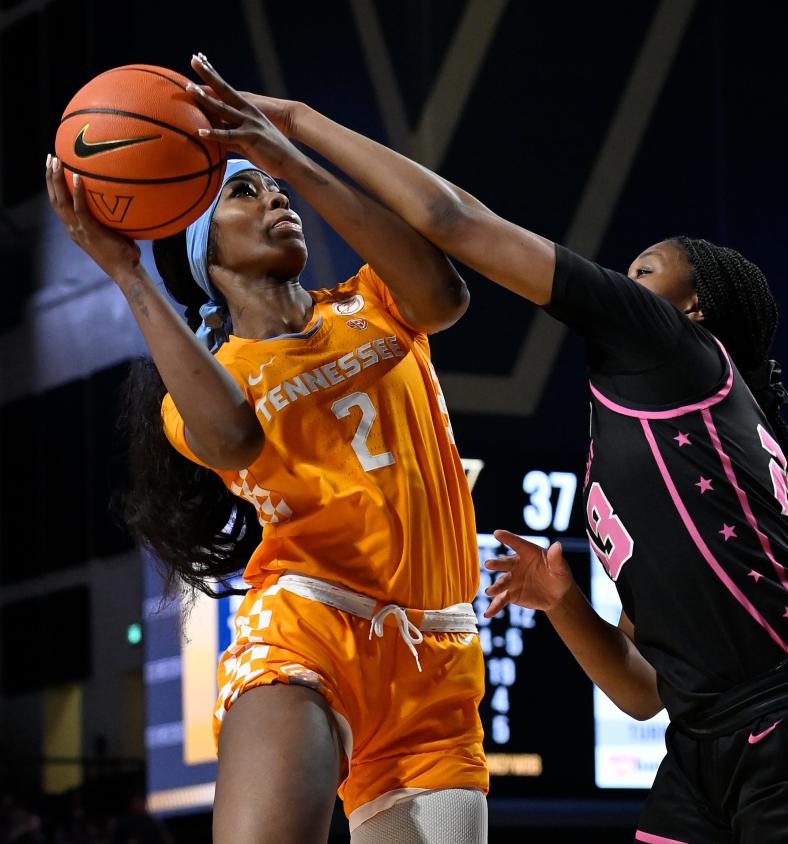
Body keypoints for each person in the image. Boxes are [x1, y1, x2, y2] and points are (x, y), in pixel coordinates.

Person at [186, 53, 788, 842]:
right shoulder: (630, 449)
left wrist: (296, 126)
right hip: (701, 747)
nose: (624, 280)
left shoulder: (670, 348)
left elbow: (454, 222)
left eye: (645, 270)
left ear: (692, 307)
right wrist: (564, 602)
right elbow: (639, 691)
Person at [45, 54, 489, 844]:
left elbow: (446, 295)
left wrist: (290, 151)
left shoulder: (372, 302)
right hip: (312, 621)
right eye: (243, 192)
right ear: (199, 249)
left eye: (274, 187)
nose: (274, 197)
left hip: (442, 651)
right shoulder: (213, 386)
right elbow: (233, 438)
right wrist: (126, 272)